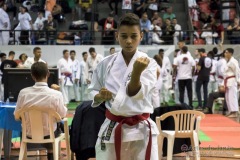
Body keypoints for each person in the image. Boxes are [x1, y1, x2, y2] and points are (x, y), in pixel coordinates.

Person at [88, 13, 159, 160]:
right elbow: (92, 89)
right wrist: (99, 96)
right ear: (116, 36)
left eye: (133, 36)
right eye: (124, 36)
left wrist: (137, 72)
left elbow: (135, 93)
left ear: (141, 35)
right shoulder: (105, 64)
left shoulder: (149, 63)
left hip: (141, 129)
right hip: (113, 126)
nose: (128, 41)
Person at [14, 62, 67, 160]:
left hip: (28, 134)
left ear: (32, 76)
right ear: (48, 74)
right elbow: (62, 115)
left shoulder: (23, 93)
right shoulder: (56, 94)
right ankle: (51, 153)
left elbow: (17, 116)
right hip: (49, 134)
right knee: (58, 125)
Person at [220, 48, 240, 118]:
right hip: (227, 81)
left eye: (226, 52)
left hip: (232, 80)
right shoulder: (227, 62)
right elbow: (225, 74)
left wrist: (238, 81)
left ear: (230, 53)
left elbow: (237, 71)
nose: (225, 54)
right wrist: (222, 84)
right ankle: (231, 111)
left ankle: (235, 112)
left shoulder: (234, 61)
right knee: (227, 97)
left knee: (232, 96)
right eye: (225, 52)